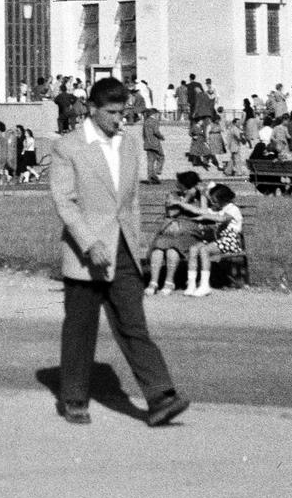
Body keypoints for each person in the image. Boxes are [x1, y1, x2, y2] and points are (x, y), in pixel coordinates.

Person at [49, 77, 189, 428]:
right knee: (81, 328)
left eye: (123, 112)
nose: (118, 119)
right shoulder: (68, 147)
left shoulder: (129, 145)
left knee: (133, 325)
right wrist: (88, 242)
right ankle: (75, 399)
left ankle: (160, 396)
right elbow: (64, 202)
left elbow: (132, 203)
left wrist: (137, 245)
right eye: (111, 112)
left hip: (123, 250)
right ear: (92, 110)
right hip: (86, 253)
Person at [145, 171, 206, 296]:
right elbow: (172, 214)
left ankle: (169, 282)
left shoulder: (201, 197)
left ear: (185, 185)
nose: (176, 184)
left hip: (189, 232)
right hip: (170, 230)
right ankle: (153, 282)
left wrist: (191, 198)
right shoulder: (172, 195)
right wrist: (186, 199)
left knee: (173, 250)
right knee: (158, 250)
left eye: (179, 182)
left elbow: (203, 213)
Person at [141, 109, 165, 184]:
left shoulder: (146, 121)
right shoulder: (155, 121)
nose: (158, 115)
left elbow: (143, 134)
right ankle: (157, 171)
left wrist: (146, 140)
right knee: (161, 157)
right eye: (157, 114)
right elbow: (156, 131)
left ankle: (151, 177)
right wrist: (161, 137)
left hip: (147, 143)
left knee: (150, 161)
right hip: (155, 143)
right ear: (154, 114)